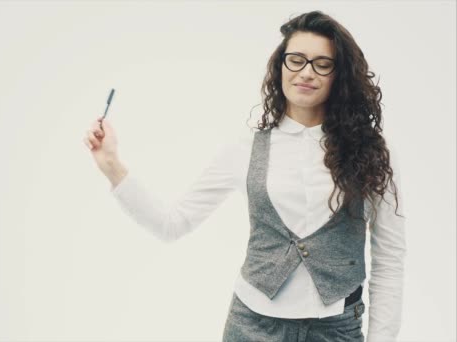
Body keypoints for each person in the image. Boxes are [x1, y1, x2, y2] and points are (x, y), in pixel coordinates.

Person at [82, 10, 405, 342]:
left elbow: (389, 259)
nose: (306, 72)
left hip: (335, 330)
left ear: (340, 75)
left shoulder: (374, 151)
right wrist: (112, 166)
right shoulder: (245, 150)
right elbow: (172, 223)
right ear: (280, 66)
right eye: (296, 59)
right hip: (252, 328)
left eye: (322, 64)